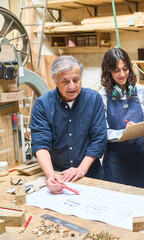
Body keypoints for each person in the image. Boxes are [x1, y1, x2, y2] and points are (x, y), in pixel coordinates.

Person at [31, 55, 107, 194]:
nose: (72, 86)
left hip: (91, 175)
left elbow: (98, 139)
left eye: (76, 80)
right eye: (65, 81)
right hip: (59, 177)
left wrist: (81, 169)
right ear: (55, 80)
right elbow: (40, 143)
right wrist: (51, 175)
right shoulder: (42, 104)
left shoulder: (94, 99)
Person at [99, 48, 144, 189]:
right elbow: (102, 133)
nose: (122, 74)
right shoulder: (102, 96)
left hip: (139, 161)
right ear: (108, 72)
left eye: (125, 69)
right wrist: (125, 133)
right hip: (115, 163)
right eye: (116, 70)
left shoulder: (141, 91)